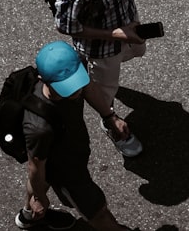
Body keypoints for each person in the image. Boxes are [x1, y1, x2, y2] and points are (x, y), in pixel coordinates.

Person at [53, 0, 146, 158]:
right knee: (105, 89)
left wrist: (126, 30)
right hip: (101, 47)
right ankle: (110, 122)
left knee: (137, 51)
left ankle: (92, 70)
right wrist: (115, 34)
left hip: (127, 24)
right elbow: (65, 25)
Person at [17, 41, 135, 231]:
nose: (76, 90)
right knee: (99, 214)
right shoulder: (39, 128)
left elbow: (88, 87)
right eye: (67, 86)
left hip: (68, 150)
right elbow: (35, 168)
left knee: (43, 179)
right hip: (66, 170)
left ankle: (29, 216)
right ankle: (34, 210)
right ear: (43, 80)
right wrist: (39, 197)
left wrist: (110, 116)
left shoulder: (74, 68)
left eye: (76, 81)